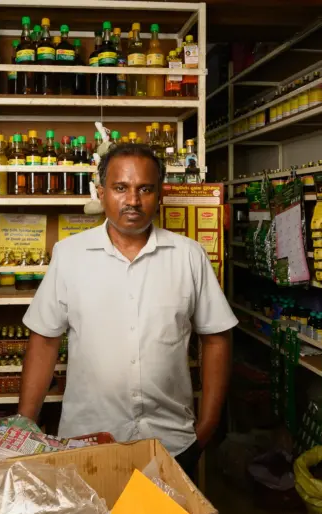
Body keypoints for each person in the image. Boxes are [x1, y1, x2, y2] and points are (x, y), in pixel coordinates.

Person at [17, 143, 237, 481]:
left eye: (144, 189)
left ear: (160, 195)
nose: (132, 200)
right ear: (101, 192)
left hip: (171, 444)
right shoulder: (70, 255)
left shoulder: (188, 256)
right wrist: (25, 427)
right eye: (121, 188)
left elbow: (217, 337)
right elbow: (44, 340)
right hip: (86, 444)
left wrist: (206, 427)